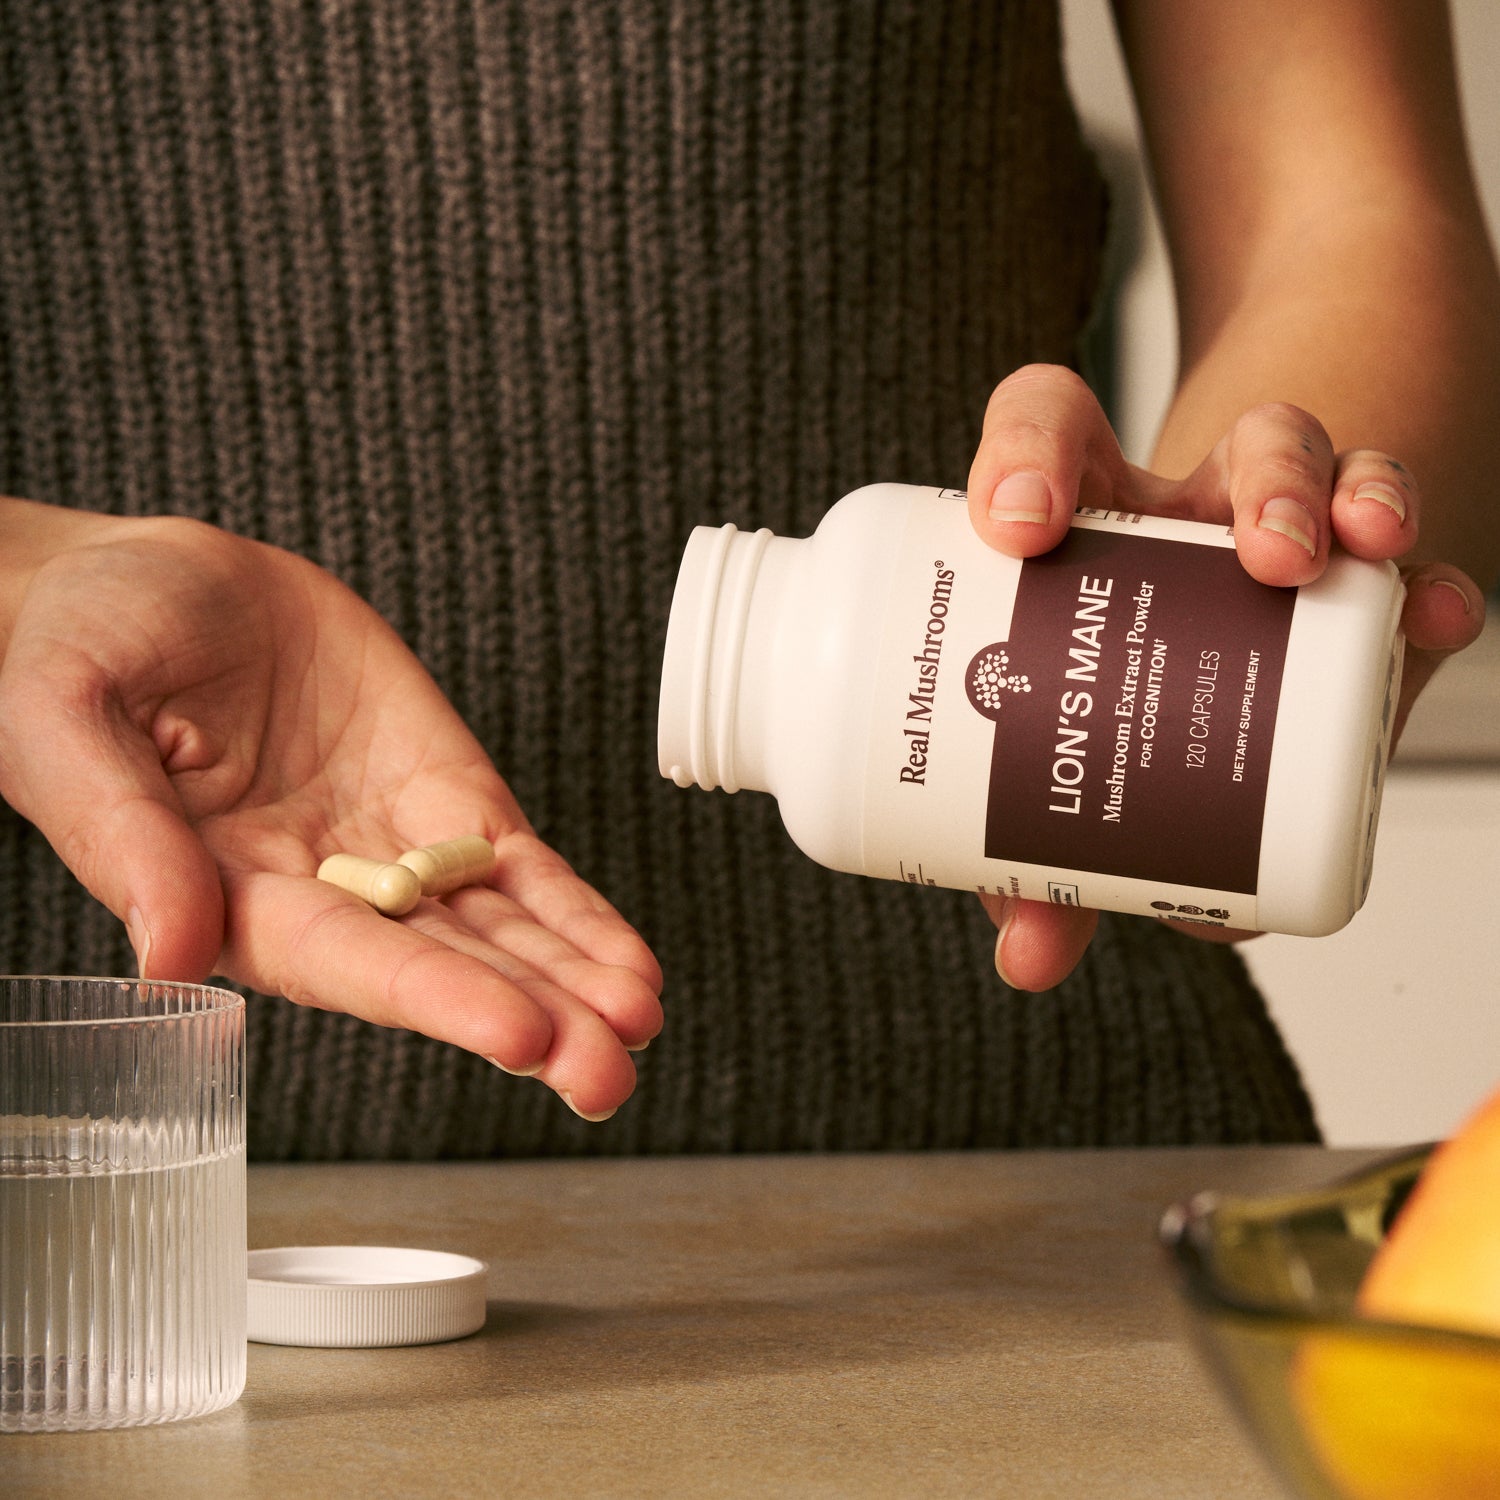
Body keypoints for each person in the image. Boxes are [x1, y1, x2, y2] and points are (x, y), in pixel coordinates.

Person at [0, 1, 1494, 1158]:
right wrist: (25, 580)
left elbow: (1352, 212)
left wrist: (1265, 551)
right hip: (123, 1187)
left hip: (1033, 1158)